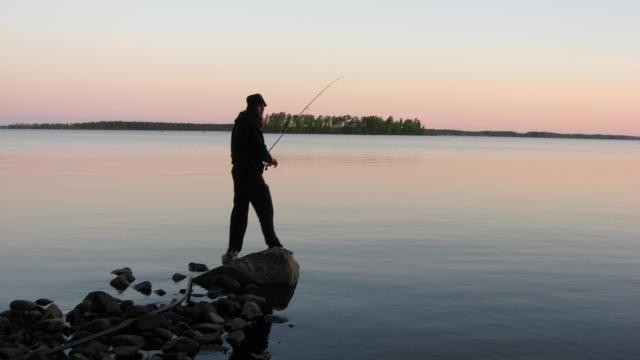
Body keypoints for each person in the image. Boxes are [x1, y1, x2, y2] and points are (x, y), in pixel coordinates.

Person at [223, 93, 283, 264]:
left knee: (240, 211)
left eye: (263, 106)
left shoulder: (239, 123)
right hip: (249, 173)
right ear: (254, 107)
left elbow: (248, 149)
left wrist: (261, 159)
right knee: (265, 205)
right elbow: (260, 148)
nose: (263, 109)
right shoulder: (250, 124)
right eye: (261, 106)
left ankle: (232, 251)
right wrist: (271, 160)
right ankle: (273, 245)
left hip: (238, 171)